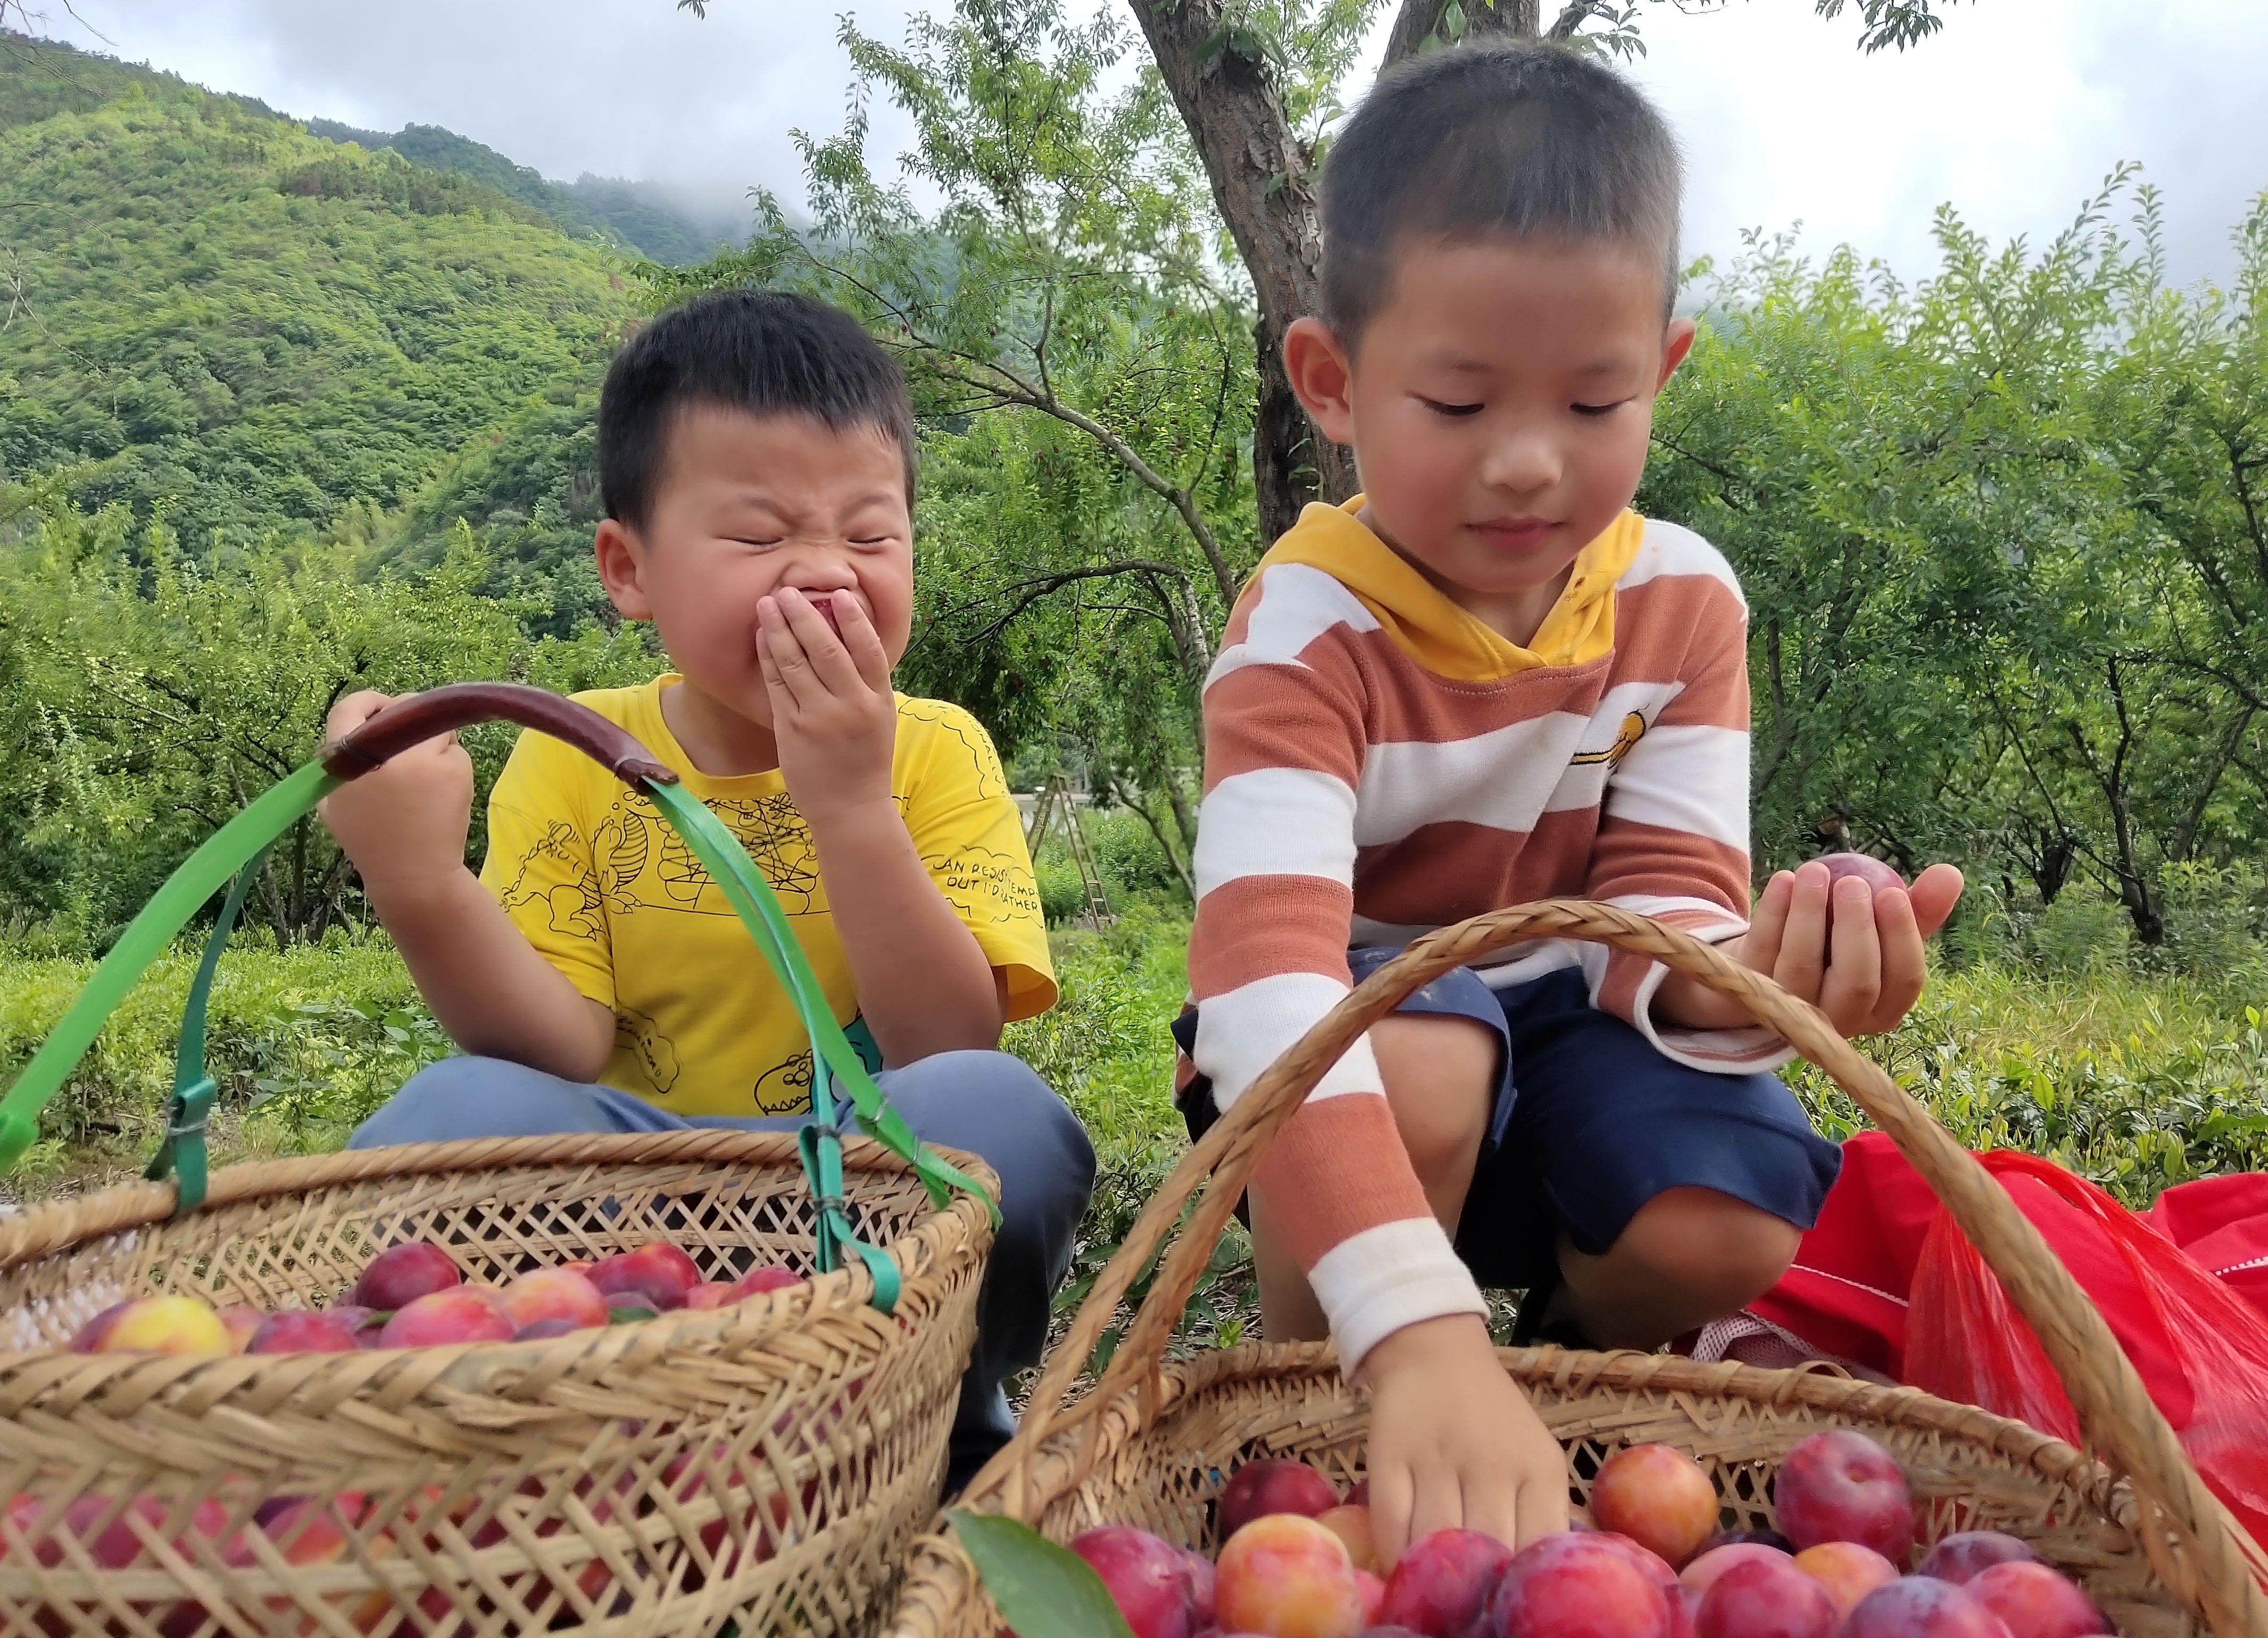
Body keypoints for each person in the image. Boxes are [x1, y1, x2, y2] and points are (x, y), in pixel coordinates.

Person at [1175, 42, 1966, 1565]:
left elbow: (1659, 908)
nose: (1529, 462)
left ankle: (1565, 1388)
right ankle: (1324, 1406)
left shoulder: (1680, 603)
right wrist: (1412, 1326)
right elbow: (1267, 980)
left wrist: (1758, 977)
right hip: (1366, 1044)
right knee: (1421, 1052)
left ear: (1660, 371)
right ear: (1332, 384)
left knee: (1725, 1219)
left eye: (1595, 399)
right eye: (1460, 401)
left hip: (1571, 1026)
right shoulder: (1303, 625)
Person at [319, 288, 1095, 1487]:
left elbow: (944, 1038)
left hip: (852, 1195)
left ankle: (919, 1414)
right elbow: (554, 1048)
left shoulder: (937, 748)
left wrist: (848, 801)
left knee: (999, 1116)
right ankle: (567, 1414)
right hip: (639, 1198)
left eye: (870, 534)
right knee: (444, 1119)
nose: (826, 576)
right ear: (629, 570)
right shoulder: (572, 755)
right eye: (759, 537)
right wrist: (416, 881)